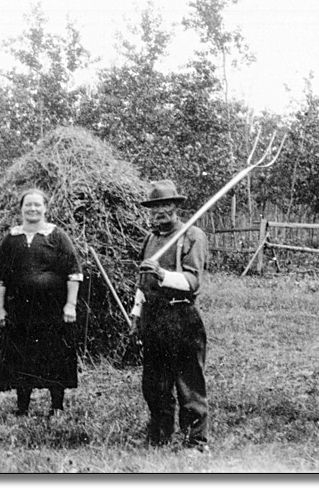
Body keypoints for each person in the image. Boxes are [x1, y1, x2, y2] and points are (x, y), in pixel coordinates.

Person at [129, 180, 210, 452]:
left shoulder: (192, 236)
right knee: (154, 383)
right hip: (154, 318)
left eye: (165, 205)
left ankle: (195, 443)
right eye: (154, 207)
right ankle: (159, 435)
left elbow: (192, 281)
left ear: (175, 206)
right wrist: (136, 314)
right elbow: (142, 283)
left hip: (181, 315)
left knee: (188, 383)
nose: (159, 212)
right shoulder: (150, 239)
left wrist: (163, 275)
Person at [0, 188, 83, 418]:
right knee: (22, 355)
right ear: (21, 209)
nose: (32, 209)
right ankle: (22, 407)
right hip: (21, 310)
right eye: (28, 205)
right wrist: (0, 309)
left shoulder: (57, 236)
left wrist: (70, 305)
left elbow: (73, 273)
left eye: (37, 205)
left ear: (45, 208)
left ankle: (57, 407)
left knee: (55, 354)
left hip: (52, 310)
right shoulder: (11, 239)